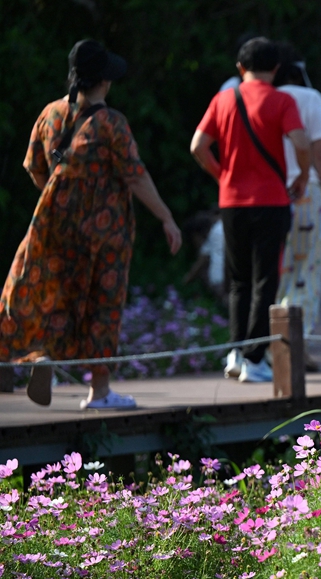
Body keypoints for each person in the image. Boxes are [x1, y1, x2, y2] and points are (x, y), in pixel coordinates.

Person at [0, 39, 182, 410]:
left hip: (52, 223)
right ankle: (99, 393)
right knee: (103, 301)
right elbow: (135, 176)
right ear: (105, 81)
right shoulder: (112, 123)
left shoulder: (50, 114)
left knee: (45, 291)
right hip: (105, 232)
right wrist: (166, 217)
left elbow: (35, 168)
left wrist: (60, 197)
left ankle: (38, 357)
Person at [190, 37, 311, 383]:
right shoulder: (282, 100)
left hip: (232, 202)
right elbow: (302, 143)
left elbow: (198, 145)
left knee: (238, 280)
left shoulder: (223, 99)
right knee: (265, 280)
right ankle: (255, 360)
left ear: (240, 68)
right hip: (271, 201)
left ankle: (235, 352)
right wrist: (302, 175)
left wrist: (221, 174)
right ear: (275, 69)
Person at [273, 43, 321, 372]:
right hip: (307, 190)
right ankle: (298, 343)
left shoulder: (265, 98)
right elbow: (320, 152)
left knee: (277, 270)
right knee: (306, 272)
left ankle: (272, 345)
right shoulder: (311, 98)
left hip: (272, 194)